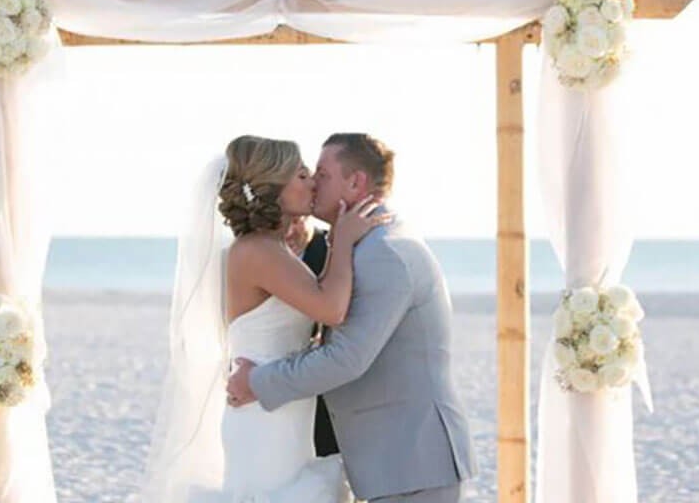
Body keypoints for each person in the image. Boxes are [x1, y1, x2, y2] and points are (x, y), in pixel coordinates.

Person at [227, 133, 477, 503]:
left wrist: (257, 382)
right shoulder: (363, 245)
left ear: (355, 182)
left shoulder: (383, 253)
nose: (313, 181)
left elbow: (345, 358)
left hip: (409, 463)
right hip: (394, 462)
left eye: (322, 174)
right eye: (306, 174)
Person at [140, 135, 388, 502]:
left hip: (280, 406)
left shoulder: (272, 249)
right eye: (302, 175)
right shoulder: (257, 251)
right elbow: (331, 308)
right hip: (264, 415)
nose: (312, 183)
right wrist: (345, 239)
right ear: (274, 188)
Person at [285, 215, 341, 458]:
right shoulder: (252, 252)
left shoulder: (333, 248)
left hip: (322, 397)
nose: (289, 230)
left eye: (297, 220)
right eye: (282, 219)